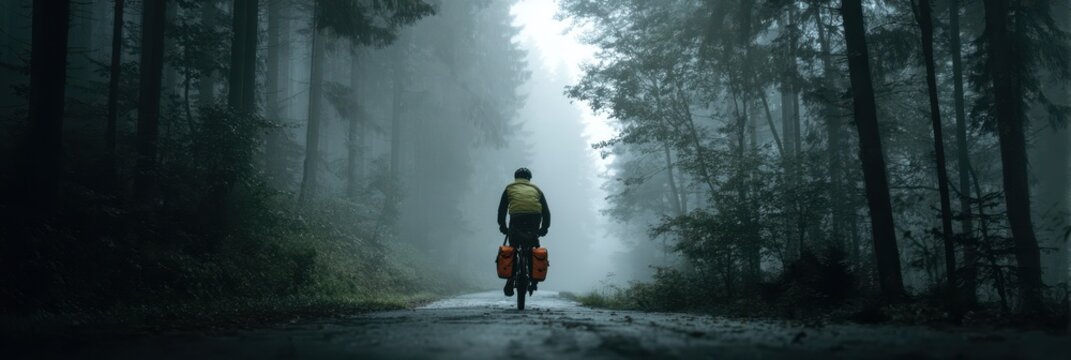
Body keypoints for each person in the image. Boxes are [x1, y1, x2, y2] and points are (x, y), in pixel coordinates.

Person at [497, 167, 550, 297]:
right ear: (529, 179)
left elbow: (502, 210)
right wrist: (544, 229)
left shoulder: (509, 188)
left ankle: (510, 279)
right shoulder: (536, 189)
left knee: (514, 248)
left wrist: (503, 226)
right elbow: (546, 212)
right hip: (534, 220)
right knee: (532, 247)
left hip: (517, 219)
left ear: (516, 178)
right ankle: (534, 280)